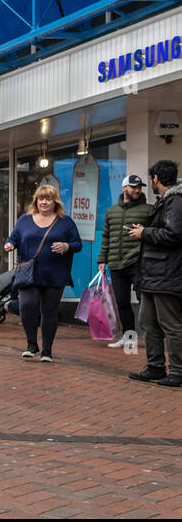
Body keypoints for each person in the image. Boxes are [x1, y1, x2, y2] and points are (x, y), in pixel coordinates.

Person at [4, 184, 81, 362]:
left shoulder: (65, 221)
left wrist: (66, 246)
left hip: (55, 274)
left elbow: (77, 244)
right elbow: (13, 237)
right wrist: (10, 244)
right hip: (28, 273)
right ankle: (32, 344)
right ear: (36, 201)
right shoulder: (25, 219)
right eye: (41, 199)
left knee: (49, 311)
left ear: (55, 202)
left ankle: (47, 350)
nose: (44, 202)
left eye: (48, 199)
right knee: (26, 306)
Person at [126, 159, 182, 386]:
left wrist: (144, 232)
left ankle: (178, 371)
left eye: (152, 180)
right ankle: (155, 367)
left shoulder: (175, 201)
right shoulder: (167, 201)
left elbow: (174, 234)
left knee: (171, 324)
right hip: (152, 274)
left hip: (166, 274)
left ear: (156, 179)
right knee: (148, 322)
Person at [99, 174, 150, 350]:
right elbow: (106, 237)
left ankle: (152, 337)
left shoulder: (148, 210)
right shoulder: (112, 211)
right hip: (116, 263)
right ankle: (129, 339)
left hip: (138, 262)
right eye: (133, 187)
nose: (137, 190)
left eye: (139, 187)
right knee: (122, 302)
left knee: (145, 300)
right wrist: (102, 260)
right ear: (124, 188)